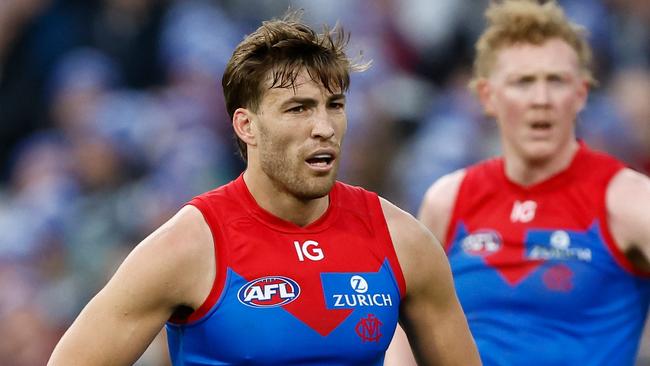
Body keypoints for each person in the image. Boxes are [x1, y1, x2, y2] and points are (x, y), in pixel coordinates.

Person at [48, 11, 480, 366]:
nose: (324, 128)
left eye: (335, 106)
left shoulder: (402, 241)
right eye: (298, 109)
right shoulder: (190, 245)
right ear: (246, 126)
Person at [388, 0, 650, 365]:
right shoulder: (448, 199)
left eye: (556, 81)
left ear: (581, 94)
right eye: (523, 82)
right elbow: (408, 326)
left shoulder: (629, 200)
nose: (540, 100)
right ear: (487, 96)